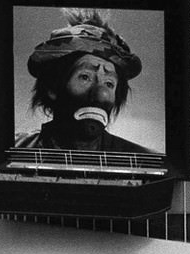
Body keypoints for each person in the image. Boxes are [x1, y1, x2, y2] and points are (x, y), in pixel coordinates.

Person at [16, 9, 152, 154]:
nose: (102, 95)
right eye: (85, 77)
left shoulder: (143, 160)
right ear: (52, 87)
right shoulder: (17, 149)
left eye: (109, 84)